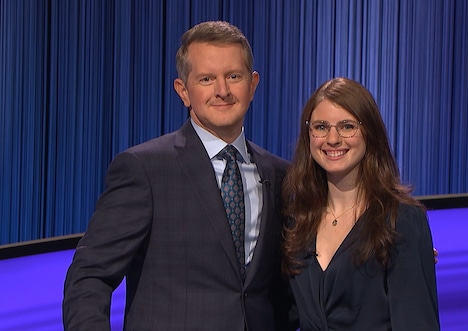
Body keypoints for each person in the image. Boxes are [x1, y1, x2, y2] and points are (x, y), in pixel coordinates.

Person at [63, 21, 296, 331]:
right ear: (183, 91)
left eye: (233, 76)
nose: (222, 91)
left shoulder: (280, 174)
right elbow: (89, 277)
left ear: (252, 85)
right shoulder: (145, 169)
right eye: (207, 79)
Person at [281, 77, 440, 330]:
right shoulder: (296, 221)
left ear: (370, 132)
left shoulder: (402, 221)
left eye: (347, 126)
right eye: (321, 127)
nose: (332, 139)